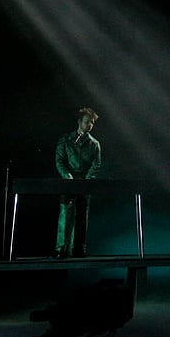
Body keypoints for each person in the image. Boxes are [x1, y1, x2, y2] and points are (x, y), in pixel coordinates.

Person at [53, 107, 102, 259]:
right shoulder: (65, 140)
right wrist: (67, 176)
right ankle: (61, 249)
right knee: (65, 214)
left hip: (85, 182)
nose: (90, 125)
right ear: (79, 122)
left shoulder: (94, 144)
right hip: (68, 181)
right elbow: (59, 160)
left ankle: (79, 249)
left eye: (92, 123)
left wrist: (87, 180)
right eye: (87, 122)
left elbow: (96, 164)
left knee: (82, 216)